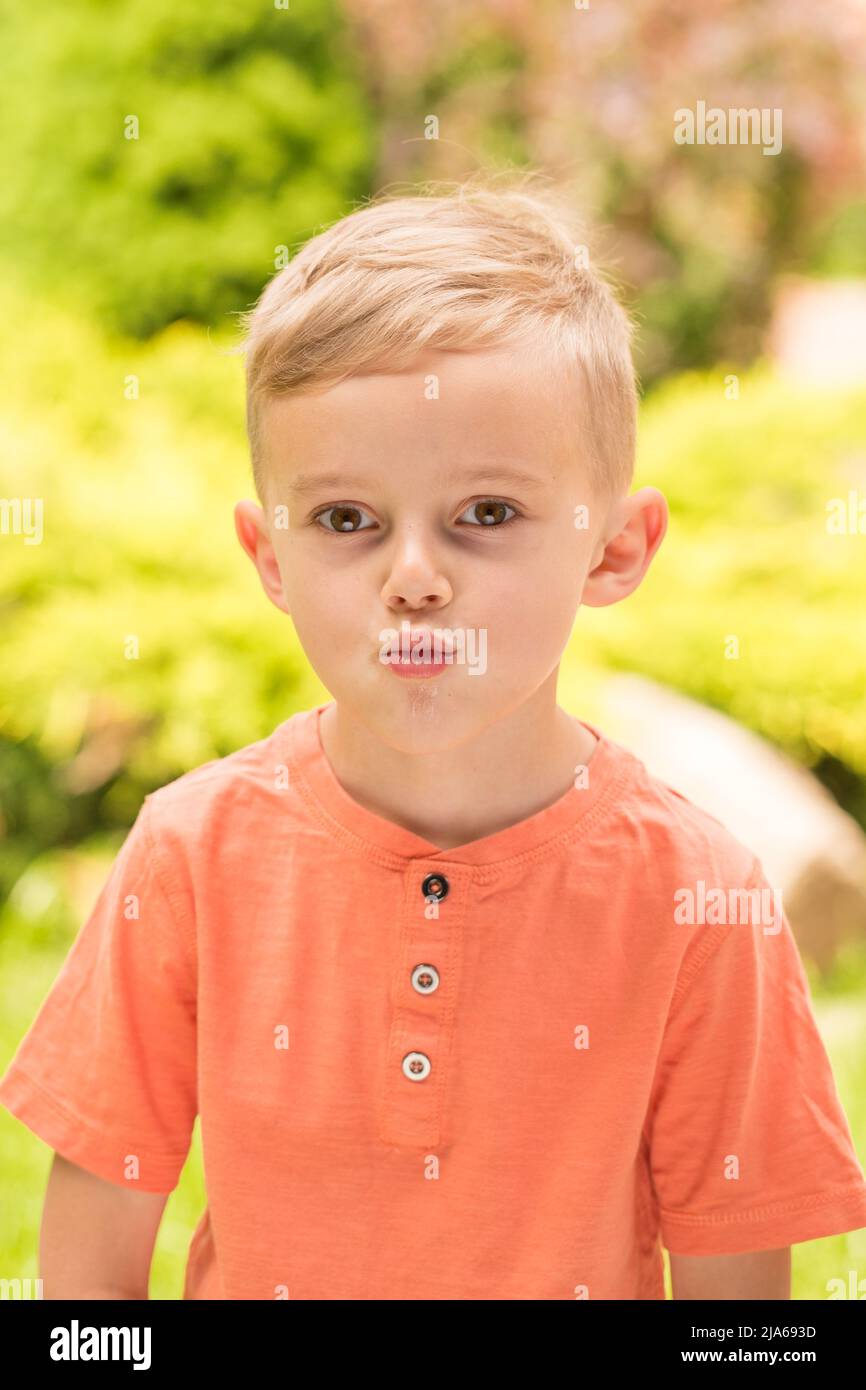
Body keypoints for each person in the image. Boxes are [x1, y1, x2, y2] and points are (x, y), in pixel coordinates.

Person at [3, 172, 866, 1301]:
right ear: (270, 557)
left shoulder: (702, 897)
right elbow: (82, 1306)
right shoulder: (187, 856)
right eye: (347, 520)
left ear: (611, 548)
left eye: (486, 515)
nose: (413, 579)